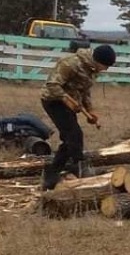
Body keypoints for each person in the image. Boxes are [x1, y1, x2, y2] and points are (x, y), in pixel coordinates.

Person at [40, 42, 117, 190]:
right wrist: (65, 99)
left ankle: (54, 172)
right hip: (53, 100)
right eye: (105, 66)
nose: (105, 69)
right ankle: (76, 166)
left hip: (70, 103)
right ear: (97, 60)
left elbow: (85, 91)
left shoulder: (91, 70)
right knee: (74, 135)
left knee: (69, 137)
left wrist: (90, 110)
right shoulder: (70, 64)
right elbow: (52, 85)